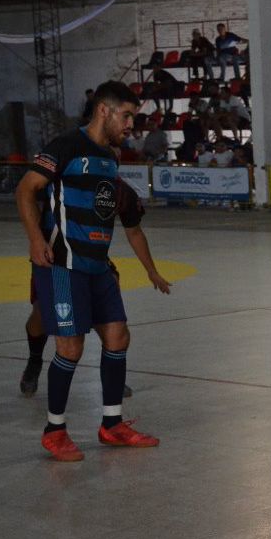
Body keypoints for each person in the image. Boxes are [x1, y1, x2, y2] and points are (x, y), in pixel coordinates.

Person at [14, 80, 160, 461]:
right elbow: (25, 189)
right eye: (127, 116)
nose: (131, 125)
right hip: (63, 264)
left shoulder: (111, 157)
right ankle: (54, 430)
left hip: (98, 267)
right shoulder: (65, 146)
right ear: (104, 111)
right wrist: (34, 239)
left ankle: (112, 425)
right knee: (71, 347)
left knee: (118, 337)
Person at [19, 178, 172, 398]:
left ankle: (113, 377)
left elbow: (134, 232)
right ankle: (35, 360)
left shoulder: (121, 192)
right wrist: (36, 239)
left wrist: (151, 270)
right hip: (57, 262)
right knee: (42, 315)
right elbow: (27, 196)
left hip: (95, 263)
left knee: (112, 324)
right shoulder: (63, 179)